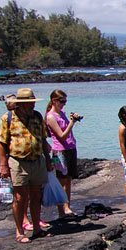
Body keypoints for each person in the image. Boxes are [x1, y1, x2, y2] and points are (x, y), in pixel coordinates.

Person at [0, 88, 53, 243]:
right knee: (21, 197)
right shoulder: (8, 118)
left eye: (33, 102)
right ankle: (19, 231)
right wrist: (3, 165)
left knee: (36, 195)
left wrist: (48, 160)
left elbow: (42, 139)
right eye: (29, 103)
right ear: (21, 104)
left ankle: (36, 228)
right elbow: (2, 142)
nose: (32, 105)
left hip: (37, 160)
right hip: (18, 161)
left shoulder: (37, 116)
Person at [45, 89, 79, 219]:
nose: (64, 104)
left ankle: (67, 207)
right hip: (60, 151)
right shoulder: (50, 117)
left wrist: (70, 119)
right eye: (62, 101)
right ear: (54, 101)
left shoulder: (62, 114)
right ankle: (61, 211)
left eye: (65, 101)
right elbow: (62, 136)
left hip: (70, 149)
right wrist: (72, 122)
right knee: (61, 181)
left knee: (68, 179)